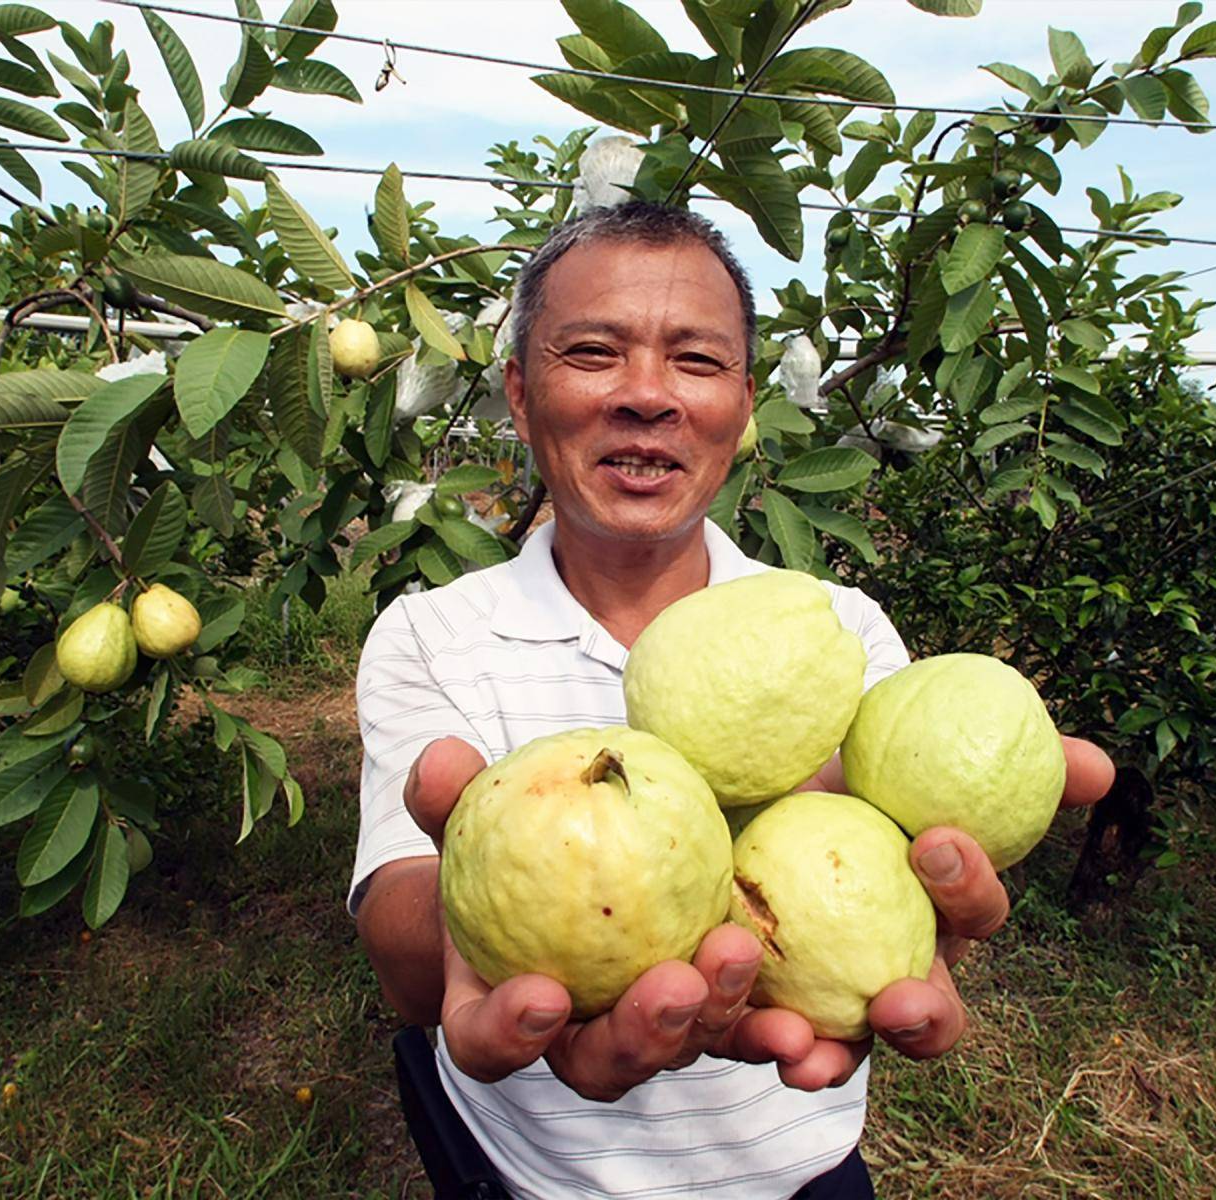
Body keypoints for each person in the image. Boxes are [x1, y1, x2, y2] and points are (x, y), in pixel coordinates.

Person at [349, 199, 1115, 1199]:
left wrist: (928, 902)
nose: (647, 396)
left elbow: (892, 863)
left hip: (796, 1166)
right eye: (594, 352)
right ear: (521, 395)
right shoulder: (426, 634)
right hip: (526, 1170)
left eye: (697, 361)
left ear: (745, 407)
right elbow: (402, 950)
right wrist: (498, 919)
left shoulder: (837, 636)